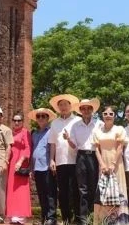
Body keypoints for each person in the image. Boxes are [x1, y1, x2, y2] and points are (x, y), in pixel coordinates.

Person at [93, 105, 129, 224]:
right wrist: (102, 164)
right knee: (104, 194)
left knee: (118, 192)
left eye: (111, 114)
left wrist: (113, 164)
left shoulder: (119, 129)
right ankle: (104, 221)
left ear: (114, 116)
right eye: (105, 114)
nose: (108, 116)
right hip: (103, 166)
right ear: (102, 115)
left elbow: (120, 147)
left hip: (117, 165)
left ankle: (120, 221)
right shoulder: (97, 131)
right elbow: (96, 149)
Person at [67, 98, 102, 224]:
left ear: (92, 110)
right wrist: (68, 140)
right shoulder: (75, 125)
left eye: (88, 108)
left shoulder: (99, 123)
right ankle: (83, 219)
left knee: (94, 187)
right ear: (80, 110)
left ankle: (94, 217)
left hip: (95, 156)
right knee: (83, 189)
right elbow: (74, 146)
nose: (86, 110)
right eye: (83, 108)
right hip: (81, 156)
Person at [48, 94, 81, 225]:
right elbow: (52, 143)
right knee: (62, 192)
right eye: (60, 105)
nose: (63, 107)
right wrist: (52, 160)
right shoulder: (55, 123)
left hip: (75, 161)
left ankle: (77, 219)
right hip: (61, 162)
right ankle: (66, 219)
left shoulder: (77, 121)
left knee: (76, 191)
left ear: (70, 106)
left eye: (65, 104)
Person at [29, 107, 57, 225]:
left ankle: (52, 217)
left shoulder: (51, 131)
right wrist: (31, 169)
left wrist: (52, 161)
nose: (40, 118)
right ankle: (44, 216)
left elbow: (53, 147)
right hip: (37, 168)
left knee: (50, 193)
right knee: (41, 194)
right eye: (38, 116)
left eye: (43, 116)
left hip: (47, 167)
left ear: (47, 118)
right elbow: (32, 151)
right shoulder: (34, 133)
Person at [6, 113, 31, 225]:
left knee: (21, 190)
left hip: (21, 164)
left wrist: (20, 161)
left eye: (19, 120)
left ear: (22, 121)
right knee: (12, 189)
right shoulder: (10, 133)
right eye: (14, 120)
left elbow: (28, 149)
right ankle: (12, 215)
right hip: (11, 164)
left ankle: (21, 216)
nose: (16, 122)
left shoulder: (25, 132)